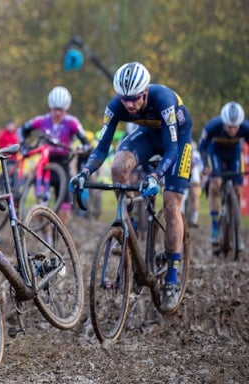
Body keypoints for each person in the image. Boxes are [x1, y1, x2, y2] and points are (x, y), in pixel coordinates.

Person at [69, 62, 193, 312]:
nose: (129, 105)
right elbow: (102, 148)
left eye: (135, 99)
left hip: (177, 142)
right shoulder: (116, 106)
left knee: (171, 205)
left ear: (145, 91)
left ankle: (171, 278)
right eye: (124, 99)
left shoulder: (164, 100)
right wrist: (84, 172)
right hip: (148, 135)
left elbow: (171, 149)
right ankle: (129, 224)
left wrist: (156, 177)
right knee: (118, 167)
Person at [19, 86, 90, 224]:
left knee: (64, 210)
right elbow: (22, 130)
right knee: (41, 207)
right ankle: (45, 235)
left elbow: (86, 143)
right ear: (50, 107)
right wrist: (24, 147)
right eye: (54, 109)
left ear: (66, 108)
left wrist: (82, 149)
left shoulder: (72, 122)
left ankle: (59, 237)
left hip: (63, 164)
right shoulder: (41, 120)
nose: (57, 113)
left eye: (61, 110)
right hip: (45, 164)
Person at [198, 101, 249, 247]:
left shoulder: (245, 127)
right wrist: (205, 165)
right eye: (229, 127)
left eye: (235, 127)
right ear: (223, 123)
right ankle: (215, 227)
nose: (233, 130)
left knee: (238, 190)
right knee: (216, 183)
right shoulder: (213, 126)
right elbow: (202, 148)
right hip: (216, 153)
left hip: (234, 154)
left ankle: (236, 227)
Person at [181, 139, 203, 228]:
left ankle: (194, 219)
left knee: (195, 194)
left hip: (194, 175)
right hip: (183, 174)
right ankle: (180, 216)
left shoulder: (196, 156)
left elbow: (199, 171)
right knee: (181, 197)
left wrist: (196, 184)